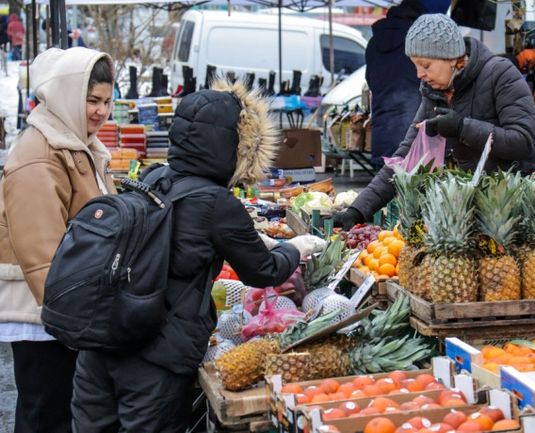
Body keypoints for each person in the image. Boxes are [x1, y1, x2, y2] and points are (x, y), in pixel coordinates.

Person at [70, 81, 326, 433]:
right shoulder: (216, 203)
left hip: (102, 342)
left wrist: (255, 239)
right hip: (156, 356)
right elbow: (262, 272)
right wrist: (294, 248)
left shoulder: (153, 177)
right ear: (236, 144)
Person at [334, 13, 535, 230]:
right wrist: (357, 210)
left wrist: (462, 127)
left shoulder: (500, 74)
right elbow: (405, 156)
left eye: (426, 65)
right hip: (490, 201)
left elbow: (524, 141)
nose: (419, 74)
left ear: (453, 58)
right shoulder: (434, 93)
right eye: (415, 65)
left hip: (533, 191)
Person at [0, 47, 116, 433]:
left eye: (106, 101)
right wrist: (69, 319)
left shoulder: (77, 144)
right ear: (68, 95)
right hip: (44, 313)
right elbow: (40, 254)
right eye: (91, 100)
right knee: (44, 414)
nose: (101, 111)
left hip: (65, 307)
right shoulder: (40, 156)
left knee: (58, 413)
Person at [365, 0, 449, 167]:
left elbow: (371, 80)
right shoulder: (419, 41)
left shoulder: (374, 43)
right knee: (411, 183)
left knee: (385, 183)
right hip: (412, 127)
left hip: (383, 124)